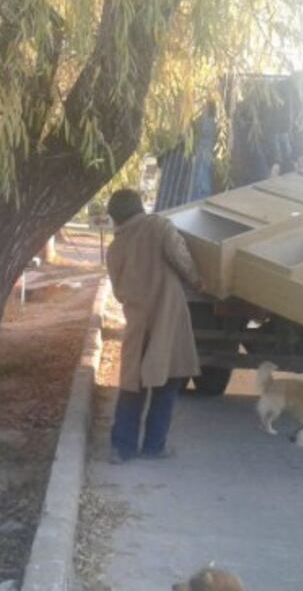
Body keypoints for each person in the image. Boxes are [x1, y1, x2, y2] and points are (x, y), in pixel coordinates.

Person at [105, 189, 204, 463]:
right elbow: (181, 257)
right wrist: (197, 281)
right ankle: (154, 446)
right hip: (168, 316)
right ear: (140, 208)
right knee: (168, 382)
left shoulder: (115, 248)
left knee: (132, 384)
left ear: (115, 218)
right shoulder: (159, 227)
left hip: (137, 318)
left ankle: (121, 448)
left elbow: (118, 291)